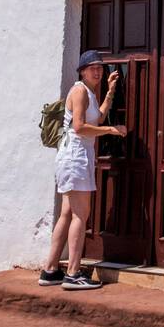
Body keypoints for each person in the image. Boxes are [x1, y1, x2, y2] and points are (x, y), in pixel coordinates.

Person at [38, 50, 127, 289]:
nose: (97, 71)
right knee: (80, 215)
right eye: (92, 68)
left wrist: (109, 91)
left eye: (100, 68)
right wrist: (111, 130)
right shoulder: (79, 91)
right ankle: (74, 273)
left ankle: (50, 270)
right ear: (82, 71)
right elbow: (79, 127)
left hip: (75, 157)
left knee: (67, 214)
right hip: (75, 157)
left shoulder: (89, 93)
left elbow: (96, 118)